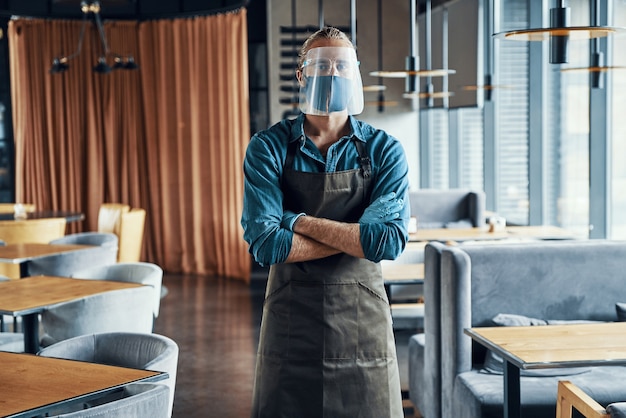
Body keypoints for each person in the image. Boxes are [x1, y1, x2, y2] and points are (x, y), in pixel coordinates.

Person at [241, 26, 410, 418]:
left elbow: (387, 242)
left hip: (362, 323)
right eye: (321, 64)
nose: (332, 73)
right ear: (302, 75)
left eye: (341, 65)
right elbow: (267, 245)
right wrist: (357, 237)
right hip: (290, 322)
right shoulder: (267, 148)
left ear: (355, 73)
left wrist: (295, 220)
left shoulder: (384, 150)